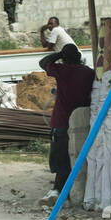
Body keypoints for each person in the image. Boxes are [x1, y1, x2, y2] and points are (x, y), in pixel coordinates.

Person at [39, 42, 96, 207]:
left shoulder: (62, 71)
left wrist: (59, 55)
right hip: (81, 121)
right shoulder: (88, 73)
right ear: (79, 57)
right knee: (78, 157)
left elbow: (43, 63)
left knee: (61, 158)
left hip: (62, 121)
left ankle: (59, 190)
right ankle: (70, 191)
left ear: (65, 59)